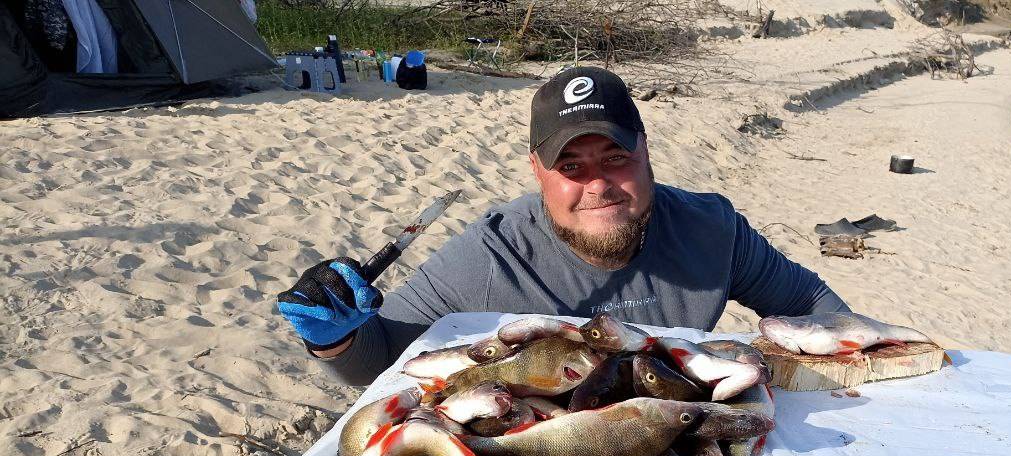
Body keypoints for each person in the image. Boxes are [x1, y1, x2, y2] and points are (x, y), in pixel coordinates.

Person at [278, 66, 850, 386]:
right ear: (537, 172)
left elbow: (812, 302)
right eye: (570, 167)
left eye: (615, 158)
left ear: (646, 153)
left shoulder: (712, 228)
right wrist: (332, 336)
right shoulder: (490, 256)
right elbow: (376, 361)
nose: (597, 184)